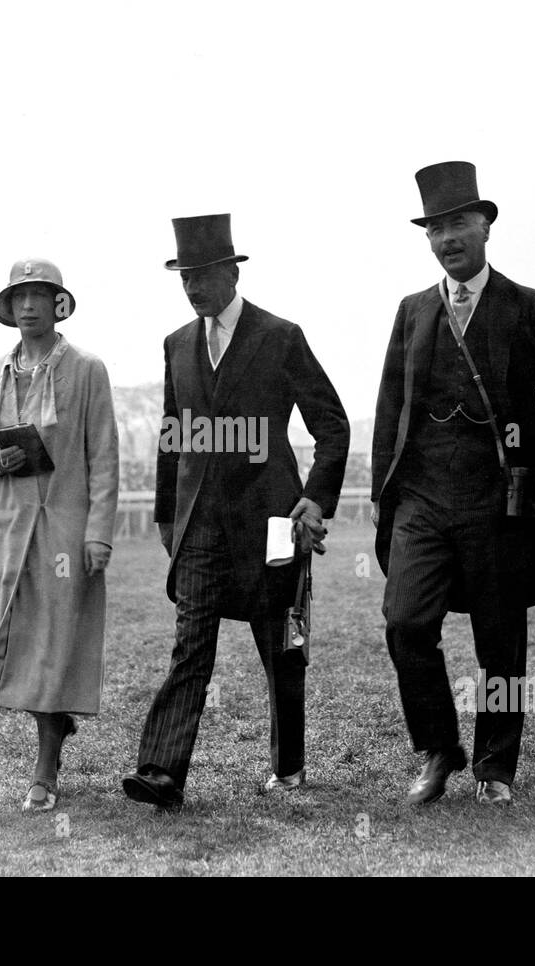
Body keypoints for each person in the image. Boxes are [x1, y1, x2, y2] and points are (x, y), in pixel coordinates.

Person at [372, 162, 535, 807]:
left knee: (500, 637)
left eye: (459, 223)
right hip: (423, 499)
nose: (447, 239)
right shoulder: (412, 312)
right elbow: (389, 409)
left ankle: (495, 768)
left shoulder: (526, 306)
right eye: (435, 228)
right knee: (406, 622)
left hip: (499, 498)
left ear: (485, 226)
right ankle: (439, 749)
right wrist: (384, 494)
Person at [123, 214, 349, 812]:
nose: (193, 287)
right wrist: (167, 517)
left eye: (201, 275)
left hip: (272, 522)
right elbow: (173, 437)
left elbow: (331, 423)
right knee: (190, 644)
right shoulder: (176, 344)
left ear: (230, 272)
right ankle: (162, 772)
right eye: (184, 277)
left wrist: (315, 498)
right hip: (198, 526)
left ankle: (288, 767)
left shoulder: (280, 335)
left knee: (281, 646)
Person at [0, 258, 119, 813]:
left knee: (53, 645)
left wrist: (98, 532)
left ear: (58, 303)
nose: (28, 305)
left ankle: (45, 765)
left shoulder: (87, 369)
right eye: (19, 296)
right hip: (4, 528)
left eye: (40, 294)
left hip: (63, 529)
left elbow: (103, 454)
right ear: (8, 307)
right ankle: (53, 719)